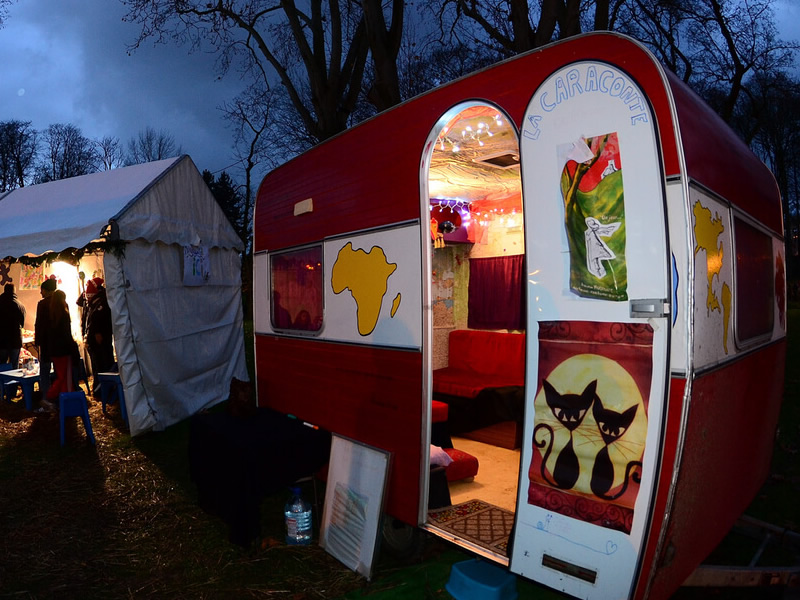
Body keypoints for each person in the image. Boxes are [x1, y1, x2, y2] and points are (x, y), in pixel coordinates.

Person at [77, 277, 114, 394]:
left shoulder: (102, 301)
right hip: (92, 339)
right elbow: (79, 301)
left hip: (100, 340)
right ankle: (99, 388)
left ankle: (104, 390)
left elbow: (99, 319)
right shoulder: (91, 302)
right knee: (96, 364)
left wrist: (97, 333)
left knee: (102, 364)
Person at [43, 289, 79, 409]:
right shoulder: (64, 315)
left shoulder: (50, 316)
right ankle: (53, 396)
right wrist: (73, 348)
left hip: (54, 351)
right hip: (64, 350)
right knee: (65, 377)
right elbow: (67, 334)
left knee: (61, 376)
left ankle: (61, 399)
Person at [34, 277, 57, 403]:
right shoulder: (62, 302)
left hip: (46, 343)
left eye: (41, 290)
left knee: (44, 371)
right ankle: (58, 395)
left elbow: (39, 324)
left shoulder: (42, 304)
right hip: (58, 343)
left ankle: (46, 397)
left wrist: (37, 341)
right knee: (58, 371)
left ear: (46, 290)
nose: (40, 293)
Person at [0, 283, 26, 368]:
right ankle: (14, 381)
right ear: (14, 291)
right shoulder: (20, 305)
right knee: (14, 366)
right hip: (15, 340)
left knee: (1, 364)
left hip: (1, 340)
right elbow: (22, 323)